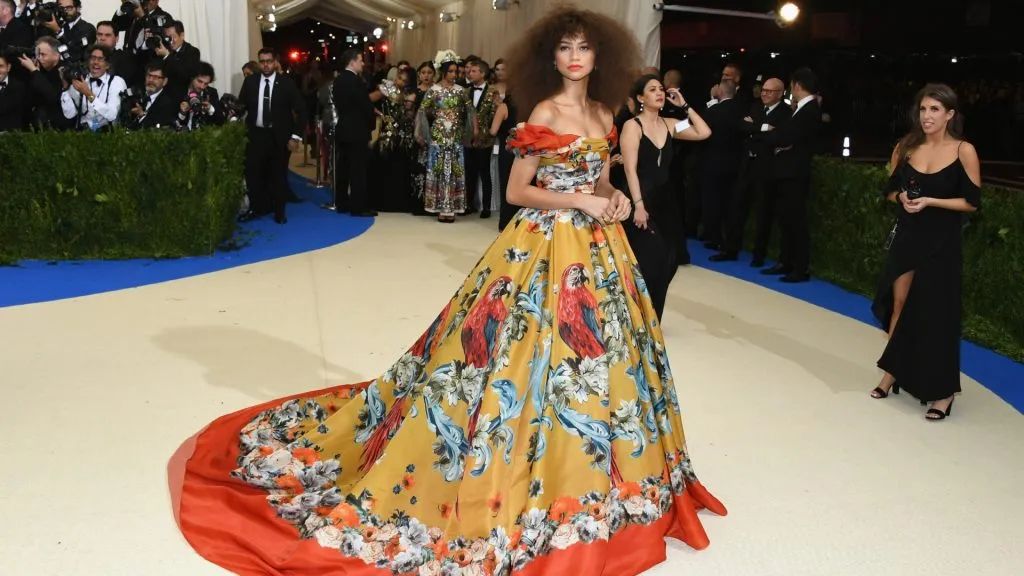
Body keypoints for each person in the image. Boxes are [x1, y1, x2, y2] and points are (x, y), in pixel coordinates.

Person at [169, 7, 725, 576]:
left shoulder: (607, 112)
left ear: (600, 54)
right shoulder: (543, 111)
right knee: (517, 355)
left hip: (599, 253)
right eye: (565, 47)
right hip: (543, 244)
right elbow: (518, 190)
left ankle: (599, 479)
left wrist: (613, 197)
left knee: (605, 359)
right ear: (551, 57)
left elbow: (602, 175)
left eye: (584, 46)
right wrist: (580, 201)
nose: (575, 56)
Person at [869, 83, 981, 421]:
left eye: (935, 109)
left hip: (941, 241)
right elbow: (889, 191)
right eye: (923, 109)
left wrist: (932, 201)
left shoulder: (964, 150)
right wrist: (902, 198)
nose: (927, 115)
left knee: (936, 312)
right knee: (899, 304)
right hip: (908, 236)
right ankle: (893, 372)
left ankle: (943, 392)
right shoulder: (906, 147)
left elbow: (972, 203)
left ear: (950, 114)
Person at [620, 73, 711, 320]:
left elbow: (703, 132)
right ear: (640, 97)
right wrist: (638, 206)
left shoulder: (671, 124)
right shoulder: (632, 126)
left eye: (661, 89)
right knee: (652, 260)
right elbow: (630, 169)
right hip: (641, 199)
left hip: (666, 202)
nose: (659, 93)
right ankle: (639, 317)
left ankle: (650, 317)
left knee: (670, 262)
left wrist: (684, 105)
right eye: (652, 90)